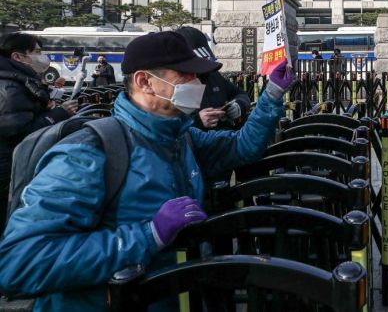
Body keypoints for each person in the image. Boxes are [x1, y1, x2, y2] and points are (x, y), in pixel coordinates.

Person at [0, 31, 293, 311]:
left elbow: (241, 147)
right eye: (185, 75)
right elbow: (20, 263)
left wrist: (272, 95)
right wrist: (147, 236)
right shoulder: (89, 151)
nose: (197, 83)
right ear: (145, 81)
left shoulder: (181, 137)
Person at [0, 33, 78, 228]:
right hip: (8, 167)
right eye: (36, 52)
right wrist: (59, 114)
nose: (42, 57)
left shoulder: (18, 80)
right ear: (18, 57)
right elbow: (19, 132)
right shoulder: (10, 87)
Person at [175, 27, 250, 131]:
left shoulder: (213, 75)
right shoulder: (172, 84)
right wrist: (197, 121)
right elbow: (169, 126)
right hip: (194, 144)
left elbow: (241, 94)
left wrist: (239, 105)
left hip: (225, 138)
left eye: (204, 59)